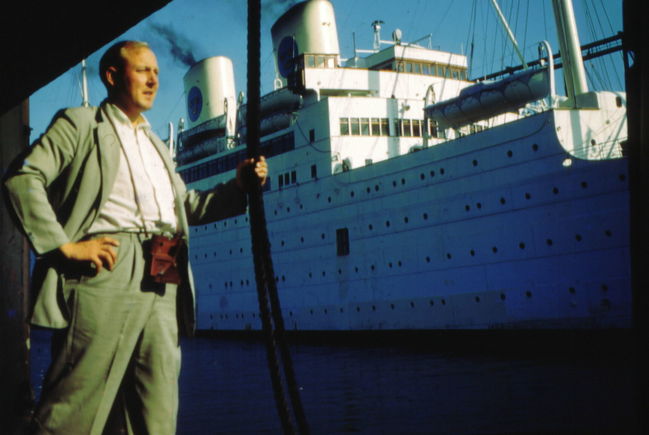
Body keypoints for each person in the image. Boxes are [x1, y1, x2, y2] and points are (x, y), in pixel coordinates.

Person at [3, 40, 267, 434]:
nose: (153, 79)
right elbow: (23, 177)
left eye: (157, 72)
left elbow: (188, 206)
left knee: (156, 411)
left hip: (165, 274)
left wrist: (239, 187)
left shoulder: (157, 144)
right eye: (143, 70)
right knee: (73, 409)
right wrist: (63, 246)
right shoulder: (79, 123)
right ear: (112, 76)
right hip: (107, 270)